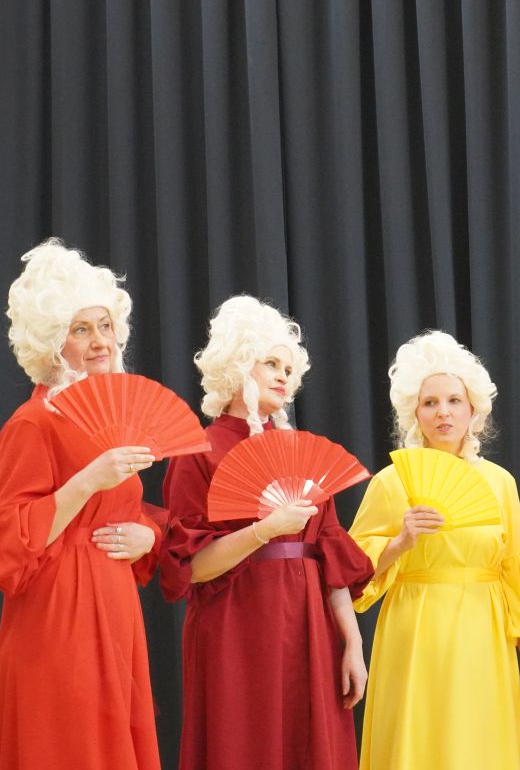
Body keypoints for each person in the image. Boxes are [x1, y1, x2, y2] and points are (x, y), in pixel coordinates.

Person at [160, 296, 374, 770]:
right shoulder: (199, 451)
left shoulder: (300, 452)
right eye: (271, 363)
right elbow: (192, 569)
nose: (283, 376)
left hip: (310, 629)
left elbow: (332, 561)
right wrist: (264, 531)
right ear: (238, 365)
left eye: (288, 368)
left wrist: (354, 645)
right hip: (235, 631)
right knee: (243, 747)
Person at [0, 238, 162, 769]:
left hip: (115, 603)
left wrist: (149, 535)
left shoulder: (116, 418)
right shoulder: (30, 424)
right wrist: (85, 481)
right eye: (80, 329)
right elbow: (9, 539)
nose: (99, 341)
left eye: (104, 325)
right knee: (69, 744)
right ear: (51, 341)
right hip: (58, 612)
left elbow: (126, 513)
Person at [348, 330, 520, 770]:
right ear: (414, 412)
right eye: (430, 402)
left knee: (477, 749)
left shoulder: (500, 483)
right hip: (415, 634)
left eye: (453, 400)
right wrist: (399, 543)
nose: (442, 412)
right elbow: (350, 573)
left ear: (472, 409)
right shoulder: (391, 482)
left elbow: (517, 576)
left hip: (485, 634)